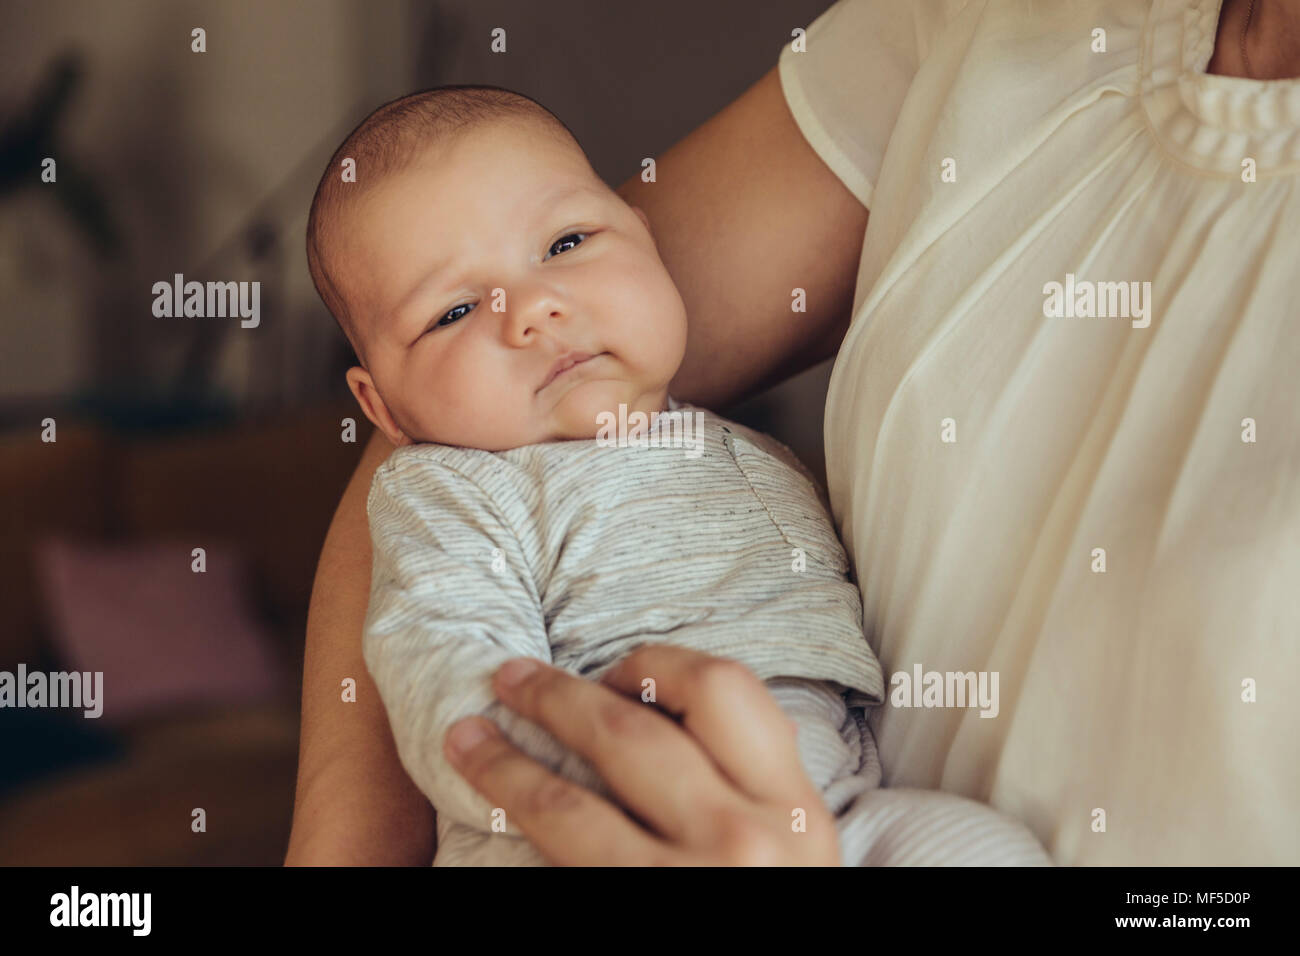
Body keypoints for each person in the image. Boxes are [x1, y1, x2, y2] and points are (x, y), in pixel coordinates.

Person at [287, 0, 1300, 866]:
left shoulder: (758, 462)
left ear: (650, 242)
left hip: (848, 810)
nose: (533, 310)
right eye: (453, 312)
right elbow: (439, 662)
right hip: (593, 826)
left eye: (565, 245)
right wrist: (589, 781)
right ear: (381, 406)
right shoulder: (445, 492)